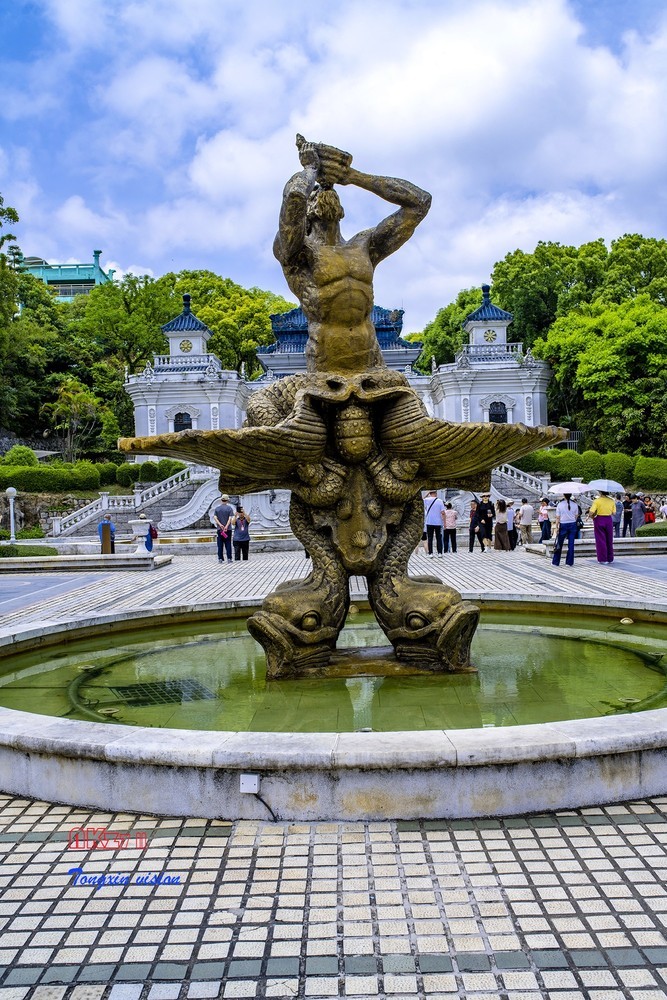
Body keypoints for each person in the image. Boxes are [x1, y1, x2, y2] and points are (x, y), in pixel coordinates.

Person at [274, 135, 431, 376]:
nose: (323, 191)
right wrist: (311, 169)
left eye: (327, 189)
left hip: (372, 360)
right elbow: (294, 197)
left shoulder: (365, 245)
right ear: (304, 213)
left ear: (342, 209)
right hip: (326, 363)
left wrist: (352, 176)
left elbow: (419, 203)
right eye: (314, 193)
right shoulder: (298, 252)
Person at [588, 491, 616, 564]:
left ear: (600, 492)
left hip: (600, 519)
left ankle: (603, 559)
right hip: (609, 519)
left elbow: (591, 512)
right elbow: (614, 513)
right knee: (609, 539)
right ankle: (610, 558)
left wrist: (591, 516)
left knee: (600, 539)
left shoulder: (597, 501)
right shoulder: (611, 501)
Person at [552, 493, 578, 567]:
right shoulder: (575, 504)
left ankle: (556, 562)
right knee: (571, 544)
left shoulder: (560, 505)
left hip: (563, 524)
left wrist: (556, 527)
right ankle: (569, 562)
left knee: (559, 543)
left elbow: (557, 517)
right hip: (572, 524)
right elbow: (576, 516)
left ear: (564, 495)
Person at [213, 493, 235, 563]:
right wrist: (226, 526)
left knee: (220, 544)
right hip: (228, 530)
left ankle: (220, 558)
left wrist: (220, 525)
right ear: (227, 500)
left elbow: (215, 518)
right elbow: (230, 519)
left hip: (220, 530)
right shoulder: (229, 508)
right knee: (228, 543)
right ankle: (229, 558)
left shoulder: (217, 508)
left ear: (221, 500)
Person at [423, 490, 445, 556]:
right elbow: (443, 512)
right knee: (439, 538)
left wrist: (427, 494)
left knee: (430, 538)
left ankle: (430, 553)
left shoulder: (427, 500)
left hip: (429, 522)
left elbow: (421, 500)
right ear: (436, 493)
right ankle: (439, 553)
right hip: (438, 522)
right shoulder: (440, 501)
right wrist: (444, 521)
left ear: (430, 493)